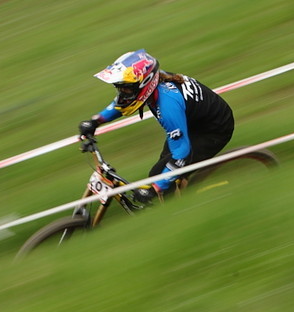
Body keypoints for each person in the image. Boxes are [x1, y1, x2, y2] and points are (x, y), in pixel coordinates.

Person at [78, 49, 235, 203]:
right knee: (161, 172)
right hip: (192, 121)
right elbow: (122, 102)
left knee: (161, 178)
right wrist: (96, 121)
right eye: (120, 88)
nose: (122, 92)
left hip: (214, 130)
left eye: (125, 88)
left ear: (144, 84)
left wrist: (155, 188)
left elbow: (182, 154)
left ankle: (191, 206)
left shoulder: (168, 106)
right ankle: (179, 194)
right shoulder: (154, 82)